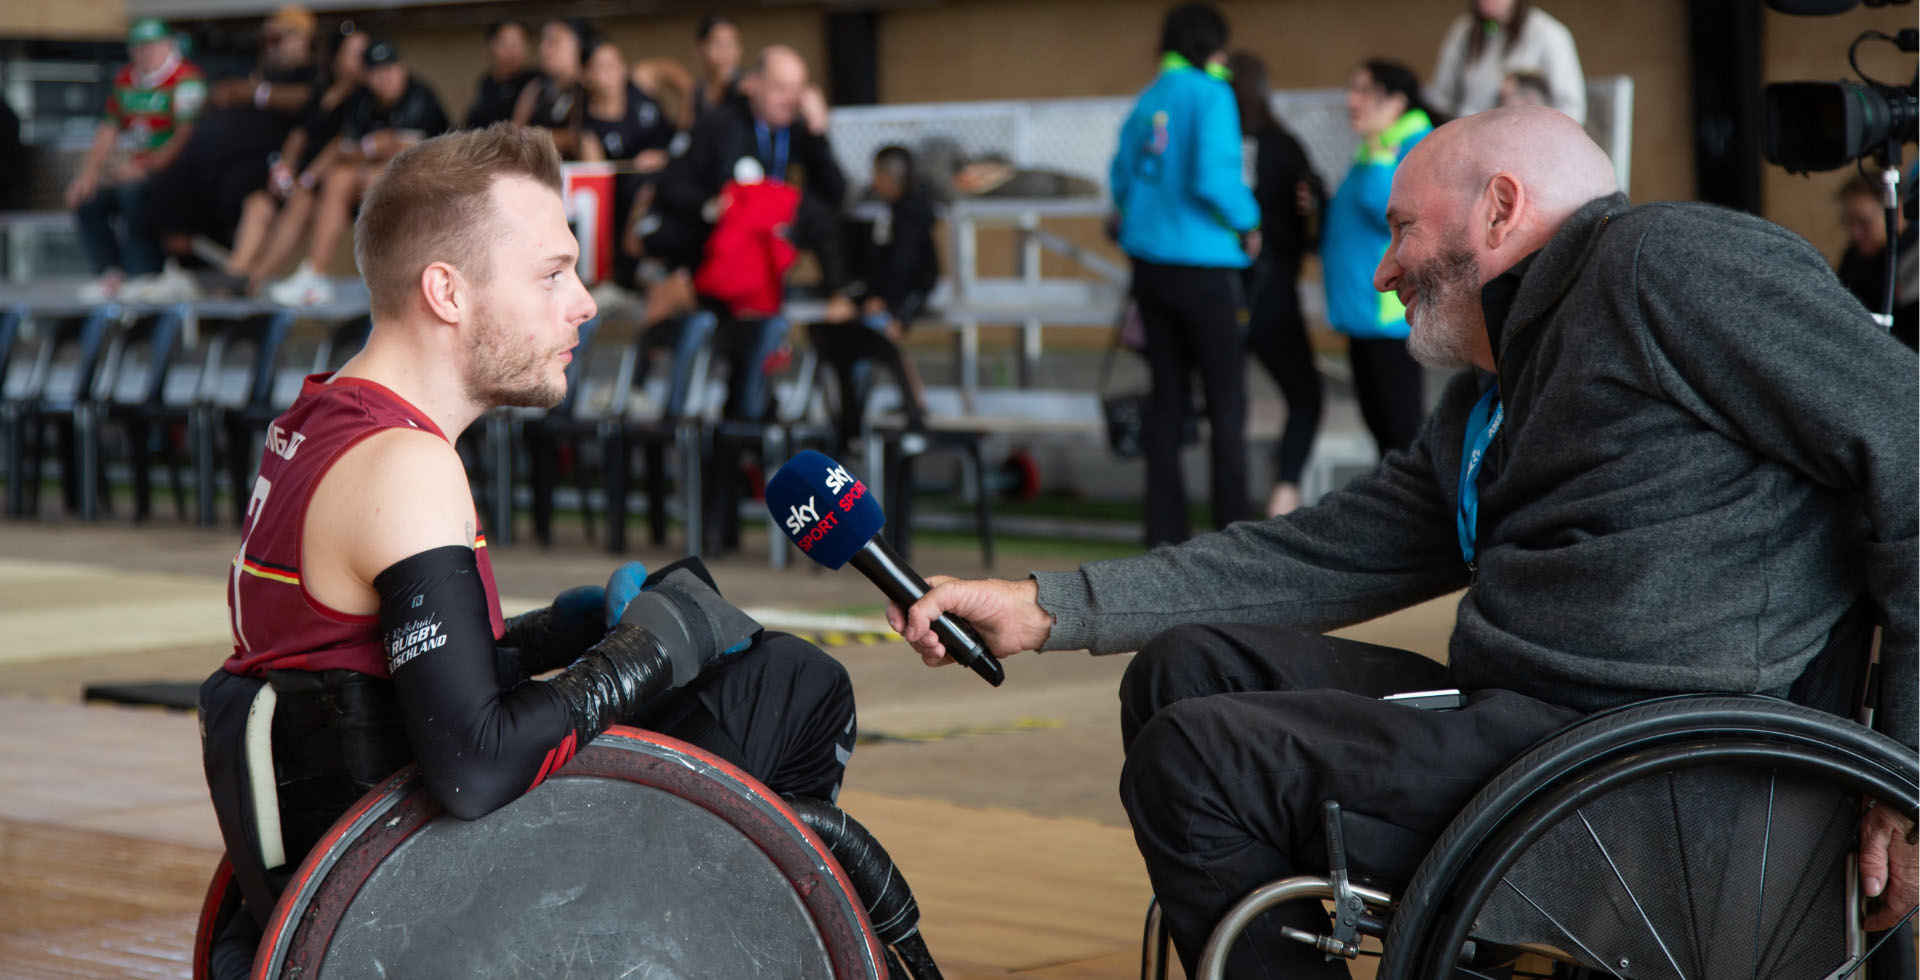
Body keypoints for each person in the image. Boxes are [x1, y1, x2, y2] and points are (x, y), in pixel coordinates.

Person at [888, 106, 1918, 978]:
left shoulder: (1667, 263)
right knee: (1185, 673)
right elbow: (1318, 552)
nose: (1383, 268)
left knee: (1200, 761)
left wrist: (1904, 777)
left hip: (1653, 757)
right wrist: (1048, 603)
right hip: (1530, 729)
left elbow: (1910, 445)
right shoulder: (1496, 390)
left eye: (1401, 229)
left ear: (1502, 209)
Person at [198, 124, 858, 978]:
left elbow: (359, 680)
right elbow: (474, 764)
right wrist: (645, 653)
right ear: (447, 292)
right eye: (552, 275)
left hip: (358, 869)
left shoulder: (317, 421)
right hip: (424, 907)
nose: (584, 302)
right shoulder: (407, 465)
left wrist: (555, 635)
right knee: (794, 683)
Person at [1108, 3, 1260, 548]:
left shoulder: (1150, 97)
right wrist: (1249, 222)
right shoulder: (1211, 92)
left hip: (1150, 267)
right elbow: (1213, 178)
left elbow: (1121, 178)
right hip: (1205, 267)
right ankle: (1232, 536)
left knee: (1167, 402)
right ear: (1212, 45)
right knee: (1225, 405)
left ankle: (1164, 536)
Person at [141, 5, 319, 301]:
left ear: (303, 39)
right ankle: (176, 272)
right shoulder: (258, 69)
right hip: (213, 165)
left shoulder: (311, 74)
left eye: (279, 39)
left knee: (244, 192)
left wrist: (254, 93)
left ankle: (235, 280)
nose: (271, 46)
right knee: (156, 189)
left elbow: (306, 103)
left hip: (261, 168)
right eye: (268, 39)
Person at [267, 38, 449, 307]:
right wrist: (372, 147)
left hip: (431, 189)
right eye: (378, 71)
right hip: (368, 184)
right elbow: (345, 149)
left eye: (392, 68)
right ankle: (314, 274)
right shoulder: (362, 102)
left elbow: (413, 153)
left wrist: (372, 151)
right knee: (339, 178)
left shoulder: (420, 97)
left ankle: (393, 279)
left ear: (403, 69)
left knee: (378, 177)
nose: (387, 77)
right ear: (367, 76)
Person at [1323, 59, 1436, 459]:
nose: (1352, 100)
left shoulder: (1413, 147)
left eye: (1365, 91)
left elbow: (1393, 214)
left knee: (1402, 439)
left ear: (1396, 103)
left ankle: (1417, 521)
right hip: (1364, 314)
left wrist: (1379, 162)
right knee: (1383, 437)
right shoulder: (1377, 147)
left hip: (1390, 314)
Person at [1228, 50, 1324, 517]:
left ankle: (1223, 513)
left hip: (1215, 294)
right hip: (1271, 297)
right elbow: (1311, 218)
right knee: (1305, 396)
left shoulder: (1211, 145)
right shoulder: (1282, 146)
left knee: (1224, 405)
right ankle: (1284, 495)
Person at [216, 26, 368, 295]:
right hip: (301, 175)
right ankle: (235, 271)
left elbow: (340, 145)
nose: (360, 59)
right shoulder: (322, 90)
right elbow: (299, 134)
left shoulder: (363, 98)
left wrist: (307, 178)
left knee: (300, 202)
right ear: (336, 57)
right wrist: (283, 169)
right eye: (353, 53)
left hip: (320, 179)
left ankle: (255, 279)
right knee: (258, 203)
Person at [68, 18, 205, 303]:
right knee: (88, 199)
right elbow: (108, 129)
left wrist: (144, 167)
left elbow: (184, 137)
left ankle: (144, 273)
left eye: (152, 47)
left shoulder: (186, 79)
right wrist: (88, 174)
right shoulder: (125, 79)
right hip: (137, 169)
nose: (146, 54)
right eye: (140, 48)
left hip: (177, 173)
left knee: (134, 194)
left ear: (168, 46)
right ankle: (111, 274)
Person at [578, 38, 676, 292]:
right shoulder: (590, 130)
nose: (612, 71)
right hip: (630, 199)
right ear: (586, 75)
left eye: (616, 63)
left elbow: (669, 69)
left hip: (674, 170)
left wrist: (691, 107)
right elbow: (597, 189)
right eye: (602, 66)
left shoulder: (640, 84)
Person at [1428, 0, 1585, 123]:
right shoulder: (1465, 31)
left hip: (1526, 140)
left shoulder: (1548, 33)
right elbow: (1440, 98)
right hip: (1470, 136)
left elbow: (1571, 109)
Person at [862, 144, 940, 336]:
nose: (874, 182)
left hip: (904, 299)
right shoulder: (898, 210)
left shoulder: (909, 216)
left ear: (889, 178)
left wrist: (894, 308)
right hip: (897, 297)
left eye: (877, 175)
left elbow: (905, 265)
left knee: (868, 334)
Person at [1835, 171, 1917, 349]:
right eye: (1847, 223)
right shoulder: (1854, 257)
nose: (1855, 233)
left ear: (1897, 211)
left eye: (1864, 222)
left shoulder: (1915, 258)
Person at [511, 18, 591, 158]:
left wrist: (537, 137)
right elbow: (514, 133)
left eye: (553, 42)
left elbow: (583, 136)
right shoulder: (535, 88)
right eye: (543, 41)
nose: (543, 49)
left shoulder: (589, 87)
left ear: (578, 45)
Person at [464, 19, 538, 129]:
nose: (511, 51)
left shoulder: (534, 82)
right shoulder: (487, 81)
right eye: (504, 43)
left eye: (517, 44)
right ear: (490, 46)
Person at [688, 14, 745, 124]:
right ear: (700, 49)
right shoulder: (697, 93)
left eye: (732, 44)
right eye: (718, 44)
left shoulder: (750, 88)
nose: (726, 52)